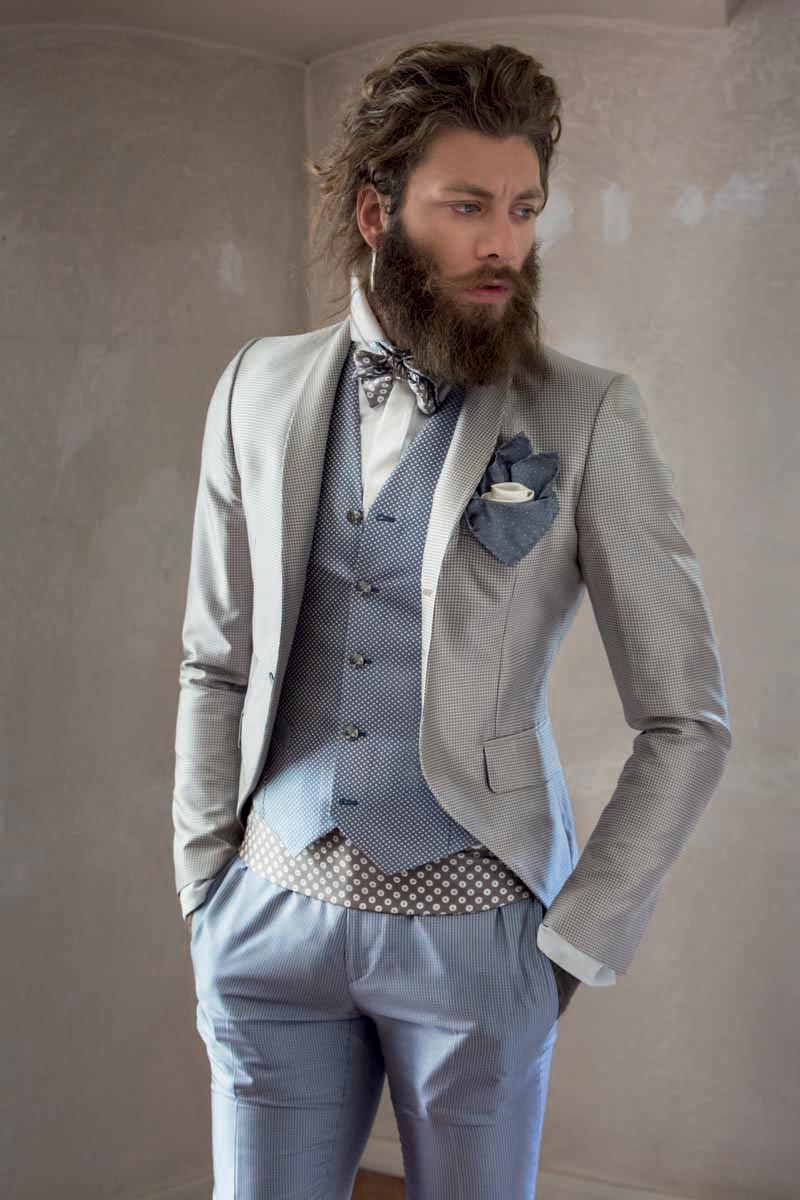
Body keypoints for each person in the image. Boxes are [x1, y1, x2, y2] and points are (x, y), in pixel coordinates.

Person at [172, 39, 732, 1200]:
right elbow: (214, 660)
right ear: (376, 213)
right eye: (467, 205)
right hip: (265, 917)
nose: (502, 245)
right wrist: (203, 884)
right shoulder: (256, 387)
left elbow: (685, 720)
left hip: (474, 933)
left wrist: (568, 946)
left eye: (523, 210)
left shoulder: (585, 416)